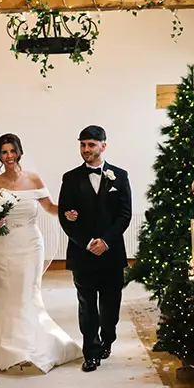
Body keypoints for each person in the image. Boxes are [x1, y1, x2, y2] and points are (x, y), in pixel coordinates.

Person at [0, 134, 82, 373]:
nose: (8, 156)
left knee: (29, 293)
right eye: (3, 152)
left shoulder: (33, 178)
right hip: (5, 244)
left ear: (20, 152)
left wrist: (67, 213)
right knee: (7, 293)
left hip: (31, 243)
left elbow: (50, 207)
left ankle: (33, 345)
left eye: (12, 151)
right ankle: (5, 346)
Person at [58, 125, 132, 373]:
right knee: (86, 304)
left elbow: (124, 214)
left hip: (111, 253)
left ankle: (107, 338)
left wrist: (106, 242)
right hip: (83, 253)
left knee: (110, 305)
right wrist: (88, 243)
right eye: (83, 144)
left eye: (91, 144)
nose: (86, 149)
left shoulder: (119, 176)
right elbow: (64, 216)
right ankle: (91, 350)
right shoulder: (70, 178)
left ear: (103, 145)